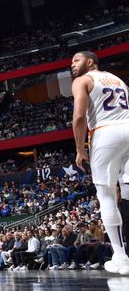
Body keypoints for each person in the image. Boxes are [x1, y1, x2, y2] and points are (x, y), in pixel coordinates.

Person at [71, 50, 129, 274]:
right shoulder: (119, 80)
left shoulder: (82, 80)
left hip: (105, 133)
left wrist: (79, 149)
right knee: (125, 193)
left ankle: (121, 257)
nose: (73, 65)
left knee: (105, 195)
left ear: (90, 61)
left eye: (76, 60)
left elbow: (78, 117)